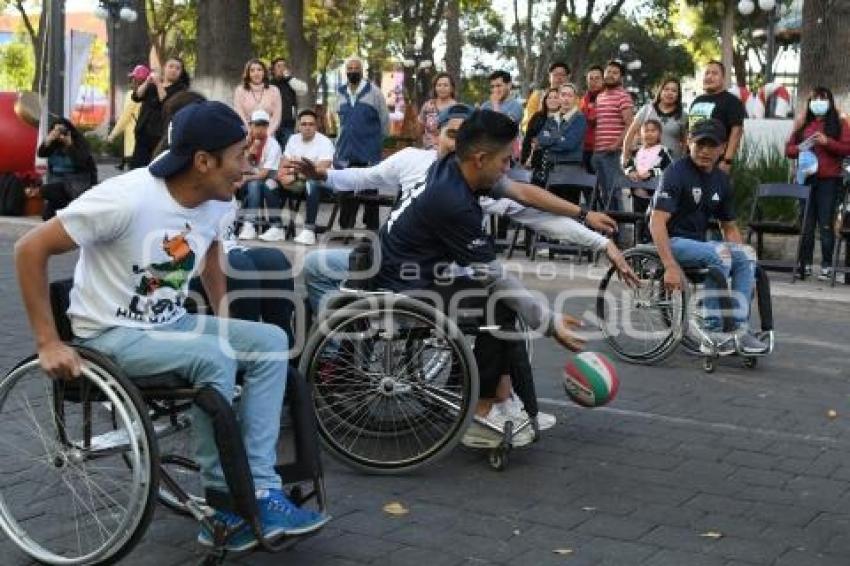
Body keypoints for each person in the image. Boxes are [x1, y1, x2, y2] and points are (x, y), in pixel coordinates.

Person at [14, 100, 330, 551]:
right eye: (240, 154)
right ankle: (223, 507)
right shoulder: (126, 198)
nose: (250, 164)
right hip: (109, 335)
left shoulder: (218, 200)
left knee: (271, 340)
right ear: (203, 161)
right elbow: (29, 249)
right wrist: (47, 341)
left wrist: (223, 314)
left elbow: (212, 254)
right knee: (213, 355)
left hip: (170, 322)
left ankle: (260, 489)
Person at [293, 105, 637, 433]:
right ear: (480, 158)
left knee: (498, 298)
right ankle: (483, 407)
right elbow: (494, 276)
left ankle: (501, 398)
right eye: (505, 160)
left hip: (400, 269)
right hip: (399, 288)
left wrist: (589, 226)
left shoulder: (455, 168)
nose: (509, 167)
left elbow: (523, 194)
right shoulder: (454, 201)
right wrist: (549, 323)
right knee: (496, 301)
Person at [649, 118, 767, 354]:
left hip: (699, 244)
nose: (704, 151)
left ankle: (738, 328)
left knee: (746, 254)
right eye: (699, 144)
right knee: (720, 254)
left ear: (723, 148)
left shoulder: (721, 180)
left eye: (711, 146)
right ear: (688, 142)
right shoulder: (675, 172)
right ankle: (712, 330)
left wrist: (747, 268)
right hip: (671, 240)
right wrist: (669, 265)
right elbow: (656, 221)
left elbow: (730, 228)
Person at [785, 86, 850, 280]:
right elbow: (788, 150)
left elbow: (847, 148)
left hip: (829, 181)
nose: (818, 103)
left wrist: (827, 142)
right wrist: (799, 148)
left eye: (822, 99)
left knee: (826, 224)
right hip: (806, 180)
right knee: (806, 224)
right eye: (814, 99)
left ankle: (826, 266)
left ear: (829, 102)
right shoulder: (803, 124)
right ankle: (803, 265)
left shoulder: (840, 124)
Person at [334, 56, 390, 231]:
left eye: (356, 68)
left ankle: (372, 228)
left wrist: (374, 143)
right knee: (346, 190)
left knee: (370, 190)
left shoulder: (374, 92)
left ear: (362, 70)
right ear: (345, 71)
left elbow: (385, 122)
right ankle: (346, 228)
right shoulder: (340, 92)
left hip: (368, 151)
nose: (352, 71)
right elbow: (338, 122)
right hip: (346, 151)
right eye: (349, 68)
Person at [275, 109, 336, 246]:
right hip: (298, 181)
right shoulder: (293, 139)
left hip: (323, 184)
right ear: (298, 126)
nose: (307, 127)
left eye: (311, 124)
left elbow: (320, 170)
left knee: (311, 182)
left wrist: (295, 174)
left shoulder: (325, 142)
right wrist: (283, 174)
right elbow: (284, 162)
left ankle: (309, 230)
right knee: (270, 183)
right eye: (304, 124)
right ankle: (276, 227)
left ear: (316, 126)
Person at [130, 57, 190, 168]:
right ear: (164, 68)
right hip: (143, 132)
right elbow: (136, 96)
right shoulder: (151, 85)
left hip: (160, 135)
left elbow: (167, 102)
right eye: (171, 66)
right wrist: (147, 81)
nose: (173, 70)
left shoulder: (181, 89)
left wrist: (158, 84)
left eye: (177, 68)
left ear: (181, 72)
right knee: (137, 167)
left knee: (154, 166)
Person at [688, 61, 746, 173]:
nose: (709, 76)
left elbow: (737, 132)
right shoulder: (697, 101)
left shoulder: (732, 101)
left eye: (714, 73)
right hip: (692, 160)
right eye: (707, 73)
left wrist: (727, 160)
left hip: (716, 162)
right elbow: (690, 129)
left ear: (723, 78)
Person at [592, 60, 634, 211]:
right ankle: (606, 229)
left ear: (621, 77)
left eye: (615, 73)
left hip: (613, 153)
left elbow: (630, 124)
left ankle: (618, 232)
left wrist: (616, 145)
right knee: (603, 194)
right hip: (598, 152)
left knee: (613, 193)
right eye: (608, 72)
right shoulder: (600, 96)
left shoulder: (624, 96)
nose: (610, 75)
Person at [237, 109, 285, 242]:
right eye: (256, 125)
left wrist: (246, 177)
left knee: (262, 184)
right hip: (244, 183)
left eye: (263, 125)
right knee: (254, 185)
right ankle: (249, 226)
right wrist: (248, 153)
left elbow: (264, 174)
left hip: (268, 180)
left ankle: (274, 226)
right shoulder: (244, 142)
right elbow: (239, 166)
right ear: (250, 125)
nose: (259, 129)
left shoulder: (273, 145)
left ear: (267, 127)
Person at [536, 83, 587, 204]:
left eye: (570, 95)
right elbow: (541, 139)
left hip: (570, 171)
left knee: (568, 211)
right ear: (559, 97)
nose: (566, 98)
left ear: (575, 99)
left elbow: (569, 144)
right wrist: (560, 138)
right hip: (551, 170)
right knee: (551, 209)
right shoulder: (552, 118)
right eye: (563, 95)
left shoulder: (580, 119)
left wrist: (551, 139)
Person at [36, 118, 97, 220]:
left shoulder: (79, 143)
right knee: (47, 216)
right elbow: (41, 154)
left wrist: (69, 145)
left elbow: (81, 162)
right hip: (59, 185)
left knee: (45, 190)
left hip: (76, 184)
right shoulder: (54, 144)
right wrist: (49, 139)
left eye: (62, 130)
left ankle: (73, 206)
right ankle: (71, 208)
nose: (60, 134)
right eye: (56, 131)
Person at [623, 119, 673, 242]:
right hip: (637, 194)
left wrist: (651, 173)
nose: (649, 134)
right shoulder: (636, 152)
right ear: (640, 134)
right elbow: (627, 165)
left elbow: (668, 167)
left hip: (655, 196)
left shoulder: (663, 151)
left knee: (652, 221)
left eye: (653, 131)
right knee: (638, 220)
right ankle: (638, 243)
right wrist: (631, 172)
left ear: (659, 134)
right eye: (646, 131)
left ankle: (653, 243)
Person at [622, 75, 688, 162]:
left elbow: (685, 142)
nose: (669, 93)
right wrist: (625, 157)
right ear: (660, 91)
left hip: (672, 165)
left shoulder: (683, 115)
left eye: (674, 91)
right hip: (646, 165)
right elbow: (630, 133)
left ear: (678, 95)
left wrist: (682, 162)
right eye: (666, 89)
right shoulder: (647, 110)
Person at [107, 65, 146, 170]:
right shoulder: (151, 94)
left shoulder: (132, 95)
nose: (131, 81)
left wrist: (113, 135)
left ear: (136, 80)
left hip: (133, 142)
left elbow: (125, 117)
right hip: (147, 142)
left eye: (133, 78)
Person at [233, 59, 283, 139]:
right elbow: (239, 114)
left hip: (269, 135)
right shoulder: (240, 90)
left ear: (264, 72)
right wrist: (250, 132)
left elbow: (276, 117)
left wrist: (267, 134)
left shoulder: (274, 90)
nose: (256, 73)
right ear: (248, 74)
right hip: (248, 135)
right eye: (252, 70)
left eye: (259, 70)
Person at [521, 87, 561, 185]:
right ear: (545, 100)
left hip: (554, 163)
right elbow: (528, 138)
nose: (552, 100)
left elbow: (559, 139)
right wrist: (525, 158)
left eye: (556, 97)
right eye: (549, 97)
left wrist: (542, 142)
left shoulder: (564, 118)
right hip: (534, 161)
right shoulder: (537, 116)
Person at [268, 58, 308, 150]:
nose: (282, 68)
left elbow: (303, 90)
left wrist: (289, 78)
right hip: (272, 124)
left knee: (288, 150)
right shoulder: (269, 84)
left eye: (284, 66)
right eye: (279, 66)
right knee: (273, 151)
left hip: (288, 124)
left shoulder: (291, 82)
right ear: (273, 69)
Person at [521, 62, 570, 133]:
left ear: (568, 78)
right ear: (549, 77)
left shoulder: (574, 100)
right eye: (555, 75)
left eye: (562, 75)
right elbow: (528, 122)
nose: (559, 78)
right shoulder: (538, 96)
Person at [418, 72, 458, 150]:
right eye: (439, 85)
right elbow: (420, 128)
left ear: (452, 88)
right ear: (435, 88)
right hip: (427, 149)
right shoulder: (427, 105)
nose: (442, 88)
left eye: (445, 85)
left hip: (448, 151)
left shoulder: (457, 108)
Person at [579, 65, 604, 173]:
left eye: (597, 78)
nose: (593, 82)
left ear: (603, 80)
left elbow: (593, 118)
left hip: (603, 149)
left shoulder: (609, 98)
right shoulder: (584, 99)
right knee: (587, 184)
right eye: (591, 79)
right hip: (585, 148)